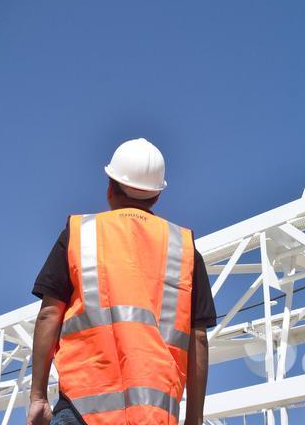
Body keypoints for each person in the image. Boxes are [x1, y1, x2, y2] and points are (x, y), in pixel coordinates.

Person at [28, 138, 216, 425]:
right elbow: (198, 338)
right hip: (155, 416)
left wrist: (38, 397)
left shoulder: (80, 234)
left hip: (80, 410)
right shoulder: (184, 248)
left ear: (110, 188)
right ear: (156, 196)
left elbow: (49, 314)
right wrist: (194, 420)